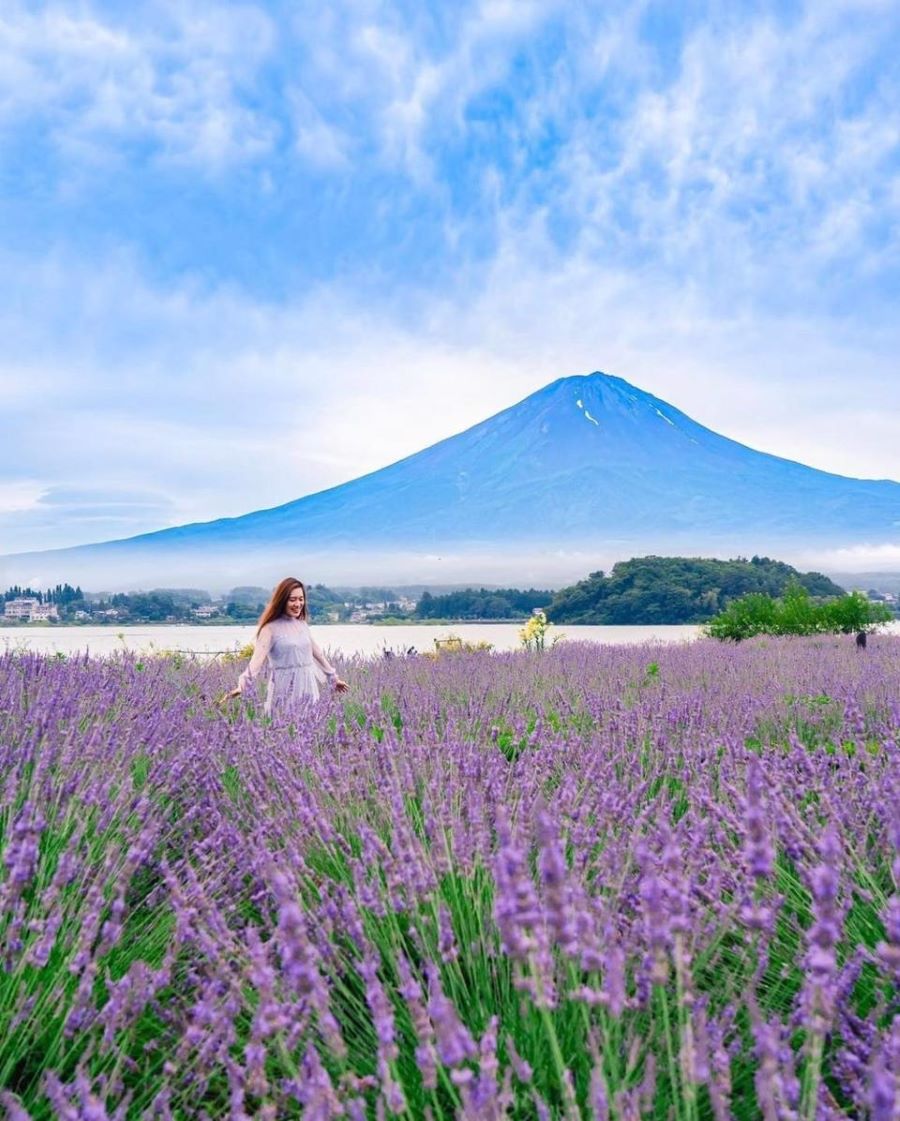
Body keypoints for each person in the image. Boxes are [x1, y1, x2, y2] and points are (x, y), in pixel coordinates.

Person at [225, 577, 348, 716]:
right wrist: (242, 684)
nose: (298, 604)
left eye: (301, 599)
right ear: (282, 600)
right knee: (284, 726)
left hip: (307, 684)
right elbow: (257, 661)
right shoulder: (269, 629)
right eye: (292, 599)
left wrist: (333, 678)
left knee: (310, 729)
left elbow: (317, 653)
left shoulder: (301, 624)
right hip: (284, 686)